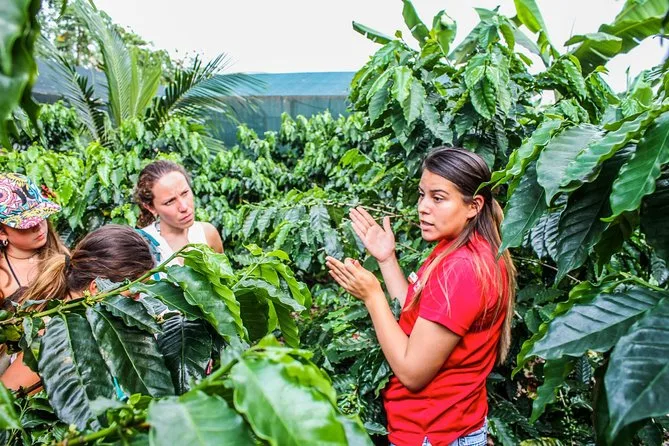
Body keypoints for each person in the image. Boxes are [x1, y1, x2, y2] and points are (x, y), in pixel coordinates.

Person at [326, 147, 517, 446]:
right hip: (446, 428)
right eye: (421, 195)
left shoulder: (462, 269)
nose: (423, 207)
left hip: (435, 434)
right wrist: (387, 259)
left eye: (438, 198)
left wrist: (373, 297)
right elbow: (419, 318)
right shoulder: (462, 250)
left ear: (473, 205)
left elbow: (413, 372)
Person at [1, 225, 155, 390]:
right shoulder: (55, 340)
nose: (138, 301)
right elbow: (6, 400)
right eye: (132, 296)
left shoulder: (84, 321)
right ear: (97, 289)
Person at [134, 160, 223, 266]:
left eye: (185, 193)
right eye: (169, 202)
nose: (184, 207)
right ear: (150, 207)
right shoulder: (141, 247)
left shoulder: (208, 234)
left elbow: (224, 274)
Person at [0, 173, 68, 311]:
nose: (38, 226)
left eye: (41, 216)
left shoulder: (63, 257)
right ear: (2, 233)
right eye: (27, 224)